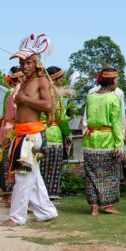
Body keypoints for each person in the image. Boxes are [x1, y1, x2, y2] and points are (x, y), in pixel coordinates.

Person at [1, 37, 60, 228]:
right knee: (32, 176)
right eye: (22, 63)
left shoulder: (42, 80)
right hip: (22, 133)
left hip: (31, 134)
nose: (24, 66)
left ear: (37, 63)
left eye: (28, 62)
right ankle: (47, 212)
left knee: (23, 175)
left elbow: (48, 105)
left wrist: (25, 100)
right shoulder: (26, 82)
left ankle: (17, 217)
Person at [82, 67, 124, 215]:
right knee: (110, 174)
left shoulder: (91, 96)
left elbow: (86, 118)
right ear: (110, 81)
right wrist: (119, 144)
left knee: (91, 174)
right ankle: (108, 205)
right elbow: (117, 123)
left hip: (90, 140)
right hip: (107, 139)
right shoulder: (113, 98)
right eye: (116, 79)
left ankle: (94, 206)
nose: (117, 82)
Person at [40, 66, 72, 201]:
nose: (62, 81)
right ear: (53, 79)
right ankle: (49, 195)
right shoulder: (55, 96)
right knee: (53, 168)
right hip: (53, 134)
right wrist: (67, 133)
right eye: (60, 79)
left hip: (38, 132)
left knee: (39, 168)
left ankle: (37, 196)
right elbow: (60, 118)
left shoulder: (38, 92)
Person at [0, 65, 24, 207]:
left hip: (10, 126)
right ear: (19, 77)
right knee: (9, 160)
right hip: (11, 127)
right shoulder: (13, 92)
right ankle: (8, 195)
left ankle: (9, 194)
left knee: (10, 159)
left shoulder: (15, 90)